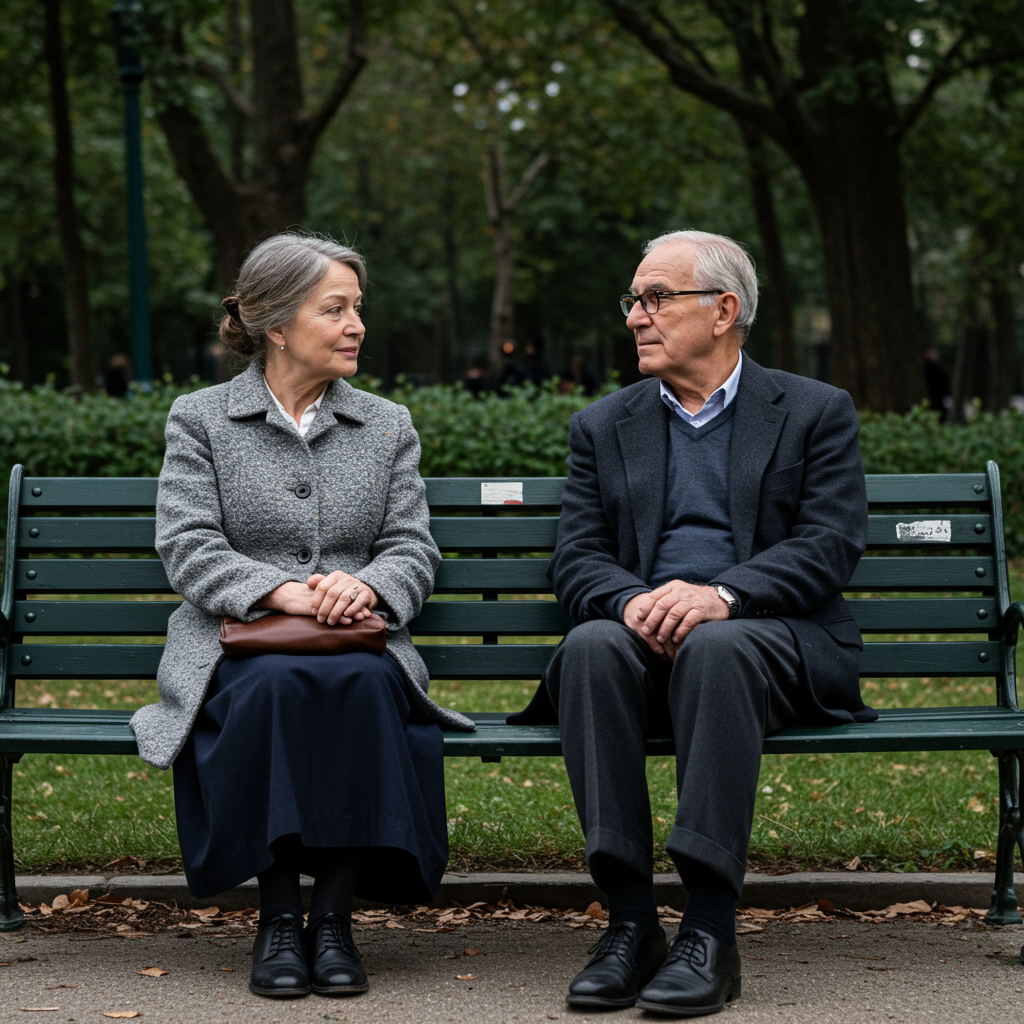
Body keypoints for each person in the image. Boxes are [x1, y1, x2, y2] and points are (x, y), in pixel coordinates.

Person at [508, 230, 876, 1016]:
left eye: (656, 298)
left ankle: (709, 929)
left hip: (771, 643)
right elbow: (577, 557)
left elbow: (828, 545)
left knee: (718, 646)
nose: (637, 316)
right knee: (590, 647)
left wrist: (724, 596)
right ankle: (632, 923)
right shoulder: (604, 426)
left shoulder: (813, 411)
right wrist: (628, 600)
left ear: (724, 310)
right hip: (643, 643)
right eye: (634, 301)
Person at [130, 232, 474, 1000]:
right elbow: (185, 541)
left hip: (358, 640)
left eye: (358, 308)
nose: (357, 324)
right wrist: (275, 592)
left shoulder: (386, 422)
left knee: (359, 685)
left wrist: (373, 588)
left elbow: (412, 545)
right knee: (273, 689)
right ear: (277, 324)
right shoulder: (202, 418)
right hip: (239, 645)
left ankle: (335, 918)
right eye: (336, 308)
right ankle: (279, 920)